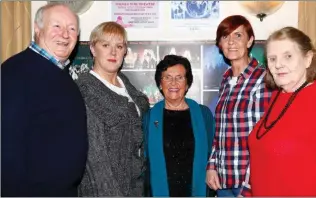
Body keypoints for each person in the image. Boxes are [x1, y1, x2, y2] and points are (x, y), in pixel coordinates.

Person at [1, 3, 88, 196]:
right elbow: (6, 149)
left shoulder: (62, 74)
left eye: (72, 29)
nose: (65, 35)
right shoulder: (15, 73)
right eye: (57, 26)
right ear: (37, 29)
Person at [248, 26, 316, 196]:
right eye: (272, 58)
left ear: (308, 59)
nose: (278, 64)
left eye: (288, 56)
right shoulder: (278, 96)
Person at [75, 21, 150, 196]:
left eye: (119, 46)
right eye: (105, 45)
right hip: (104, 190)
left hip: (135, 188)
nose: (113, 52)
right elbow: (94, 157)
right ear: (93, 49)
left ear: (125, 51)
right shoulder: (85, 91)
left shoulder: (129, 89)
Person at [206, 15, 272, 197]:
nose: (231, 42)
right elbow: (220, 131)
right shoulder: (225, 80)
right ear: (220, 44)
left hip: (250, 182)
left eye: (238, 36)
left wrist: (250, 183)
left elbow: (265, 138)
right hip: (223, 181)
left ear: (250, 41)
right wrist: (212, 166)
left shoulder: (263, 79)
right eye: (225, 37)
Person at [143, 55, 215, 197]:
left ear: (187, 84)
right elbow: (144, 163)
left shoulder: (203, 114)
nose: (173, 83)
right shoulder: (149, 118)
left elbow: (213, 155)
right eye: (167, 77)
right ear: (160, 84)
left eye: (179, 77)